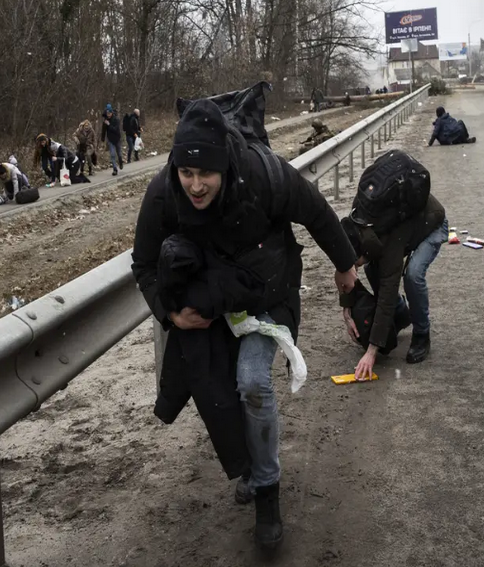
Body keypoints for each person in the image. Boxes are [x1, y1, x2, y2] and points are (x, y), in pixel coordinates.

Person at [131, 98, 358, 551]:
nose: (195, 186)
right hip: (212, 301)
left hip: (268, 290)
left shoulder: (262, 174)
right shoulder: (163, 193)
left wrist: (345, 264)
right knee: (219, 391)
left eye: (206, 174)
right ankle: (252, 469)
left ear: (225, 165)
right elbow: (143, 264)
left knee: (253, 381)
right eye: (186, 173)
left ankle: (267, 491)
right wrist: (170, 313)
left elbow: (315, 210)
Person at [339, 163, 448, 377]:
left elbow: (388, 291)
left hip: (432, 225)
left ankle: (422, 334)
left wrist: (372, 351)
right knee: (372, 269)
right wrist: (347, 309)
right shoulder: (357, 217)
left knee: (413, 275)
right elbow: (344, 271)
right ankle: (401, 315)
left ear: (363, 250)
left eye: (356, 263)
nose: (356, 267)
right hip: (409, 228)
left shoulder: (389, 242)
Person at [100, 103, 124, 175]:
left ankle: (120, 161)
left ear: (111, 113)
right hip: (110, 140)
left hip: (117, 138)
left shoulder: (116, 119)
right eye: (107, 113)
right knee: (112, 155)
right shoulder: (105, 120)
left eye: (109, 113)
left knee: (119, 154)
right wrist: (102, 139)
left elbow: (116, 129)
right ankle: (114, 169)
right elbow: (103, 130)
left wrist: (109, 125)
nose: (108, 114)